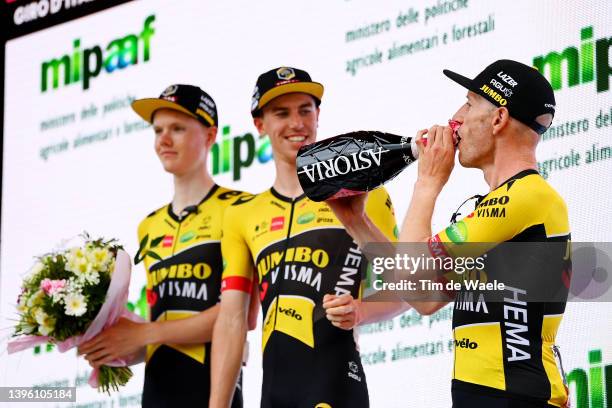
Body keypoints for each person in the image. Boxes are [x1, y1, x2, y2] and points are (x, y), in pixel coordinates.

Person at [324, 60, 571, 408]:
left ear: (498, 119)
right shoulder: (499, 208)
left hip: (517, 397)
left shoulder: (528, 197)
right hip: (482, 396)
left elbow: (413, 268)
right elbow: (423, 297)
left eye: (469, 104)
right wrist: (356, 221)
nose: (457, 117)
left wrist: (427, 182)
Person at [209, 67, 398, 408]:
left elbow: (409, 289)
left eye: (305, 110)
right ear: (260, 124)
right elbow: (233, 319)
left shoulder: (364, 195)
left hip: (337, 383)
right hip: (274, 393)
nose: (296, 123)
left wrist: (360, 310)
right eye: (282, 113)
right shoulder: (242, 214)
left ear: (318, 115)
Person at [78, 84, 257, 407]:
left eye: (177, 129)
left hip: (213, 388)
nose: (164, 139)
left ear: (210, 135)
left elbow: (239, 315)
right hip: (158, 389)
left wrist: (145, 334)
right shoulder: (149, 225)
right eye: (158, 130)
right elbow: (159, 321)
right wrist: (113, 347)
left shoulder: (240, 207)